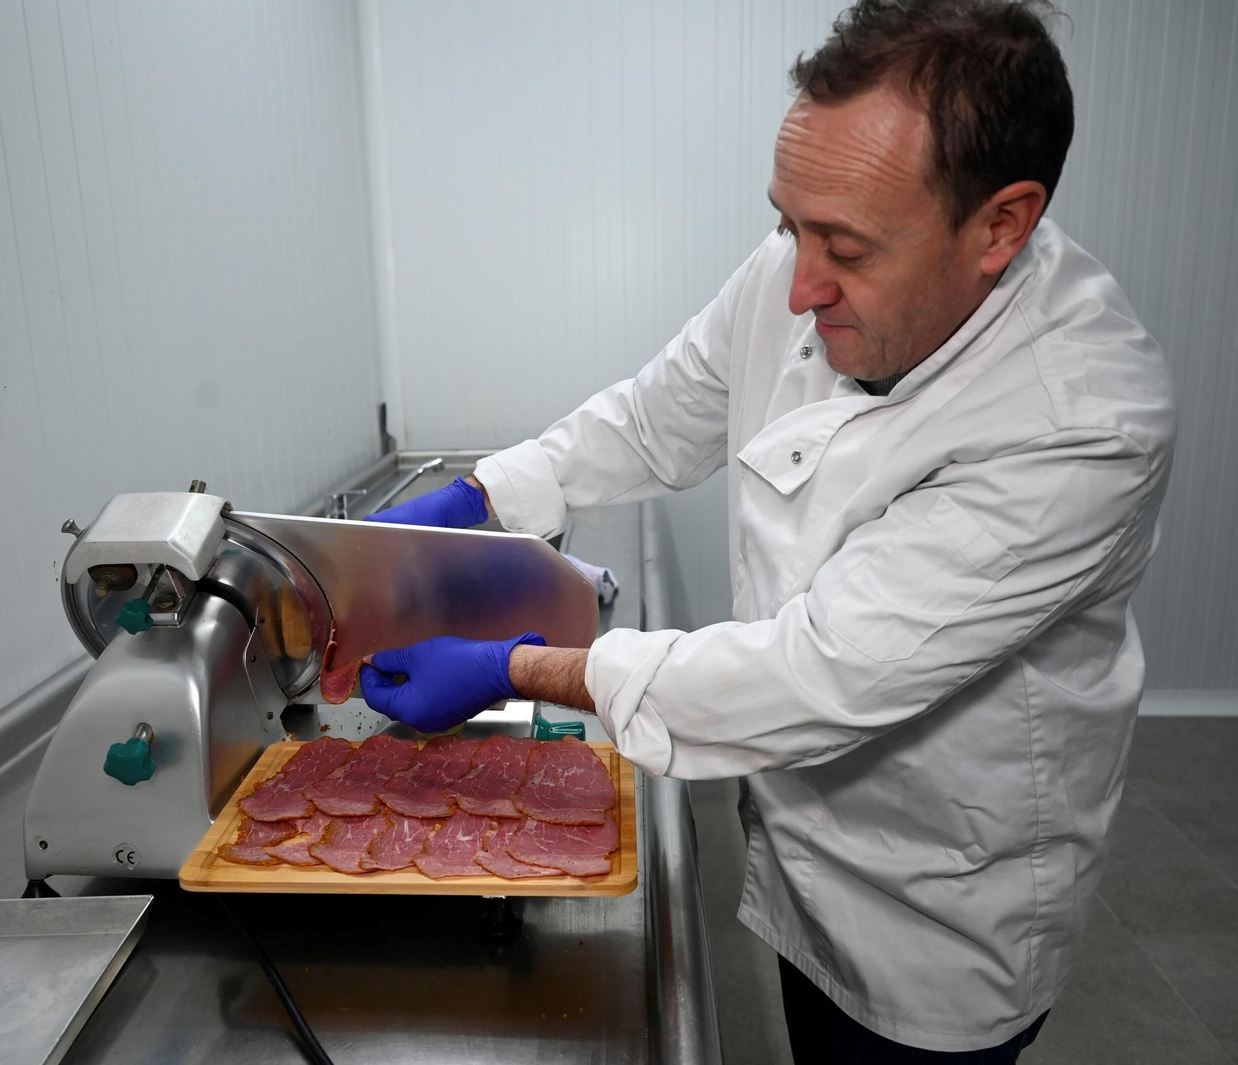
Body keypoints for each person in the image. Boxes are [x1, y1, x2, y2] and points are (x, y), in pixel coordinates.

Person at [362, 0, 1173, 1059]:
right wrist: (486, 499)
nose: (797, 286)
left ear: (1000, 226)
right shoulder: (811, 264)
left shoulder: (1083, 420)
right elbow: (660, 416)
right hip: (795, 840)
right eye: (788, 225)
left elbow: (817, 673)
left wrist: (514, 666)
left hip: (933, 906)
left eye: (842, 246)